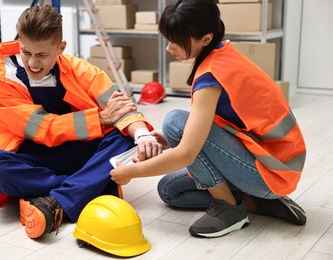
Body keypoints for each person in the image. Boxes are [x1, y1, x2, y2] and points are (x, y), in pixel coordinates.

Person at [110, 0, 307, 238]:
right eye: (168, 39)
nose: (169, 48)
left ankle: (231, 209)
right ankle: (260, 203)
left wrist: (132, 172)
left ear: (205, 38)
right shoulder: (222, 52)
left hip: (272, 170)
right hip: (270, 160)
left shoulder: (210, 75)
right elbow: (228, 120)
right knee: (170, 190)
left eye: (176, 40)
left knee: (175, 122)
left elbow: (187, 154)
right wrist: (169, 140)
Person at [0, 4, 162, 239]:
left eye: (42, 55)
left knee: (125, 138)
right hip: (30, 156)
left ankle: (58, 199)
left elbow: (120, 107)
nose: (32, 63)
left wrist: (142, 134)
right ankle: (84, 187)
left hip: (76, 152)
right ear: (19, 44)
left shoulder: (81, 70)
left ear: (61, 48)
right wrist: (98, 118)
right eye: (26, 52)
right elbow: (39, 127)